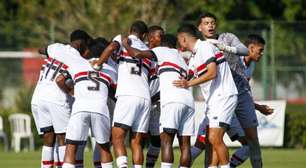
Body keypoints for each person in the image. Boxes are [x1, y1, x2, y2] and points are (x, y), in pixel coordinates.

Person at [197, 12, 268, 168]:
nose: (210, 25)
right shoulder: (200, 47)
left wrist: (225, 48)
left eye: (213, 22)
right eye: (207, 23)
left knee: (252, 138)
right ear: (200, 28)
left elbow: (243, 50)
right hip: (219, 97)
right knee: (212, 140)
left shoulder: (227, 37)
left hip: (241, 94)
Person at [42, 30, 114, 168]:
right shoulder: (111, 69)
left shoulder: (77, 64)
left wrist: (71, 91)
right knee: (104, 147)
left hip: (80, 108)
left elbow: (60, 79)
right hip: (100, 108)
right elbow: (116, 90)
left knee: (71, 147)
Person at [122, 34, 195, 168]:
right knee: (185, 145)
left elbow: (137, 54)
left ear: (162, 43)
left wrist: (126, 44)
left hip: (172, 100)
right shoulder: (182, 58)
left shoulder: (161, 50)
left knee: (166, 142)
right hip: (188, 101)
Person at [173, 24, 238, 168]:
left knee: (214, 138)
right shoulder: (194, 57)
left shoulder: (205, 47)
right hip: (213, 101)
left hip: (223, 95)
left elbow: (212, 72)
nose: (179, 43)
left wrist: (189, 84)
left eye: (179, 40)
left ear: (183, 39)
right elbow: (186, 76)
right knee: (211, 139)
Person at [93, 20, 150, 168]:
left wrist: (98, 64)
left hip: (128, 95)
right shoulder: (147, 48)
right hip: (145, 97)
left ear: (131, 30)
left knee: (117, 137)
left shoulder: (124, 39)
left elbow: (112, 47)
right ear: (144, 35)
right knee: (136, 142)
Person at [37, 43, 73, 168]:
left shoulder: (54, 52)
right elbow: (60, 80)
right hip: (56, 98)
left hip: (39, 97)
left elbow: (40, 49)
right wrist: (72, 92)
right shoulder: (74, 58)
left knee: (48, 138)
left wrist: (49, 51)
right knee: (63, 138)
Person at [145, 25, 164, 168]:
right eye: (160, 36)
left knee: (156, 140)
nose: (162, 39)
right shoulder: (143, 53)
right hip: (142, 100)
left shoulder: (164, 53)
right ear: (151, 38)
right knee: (137, 138)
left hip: (157, 102)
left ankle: (149, 165)